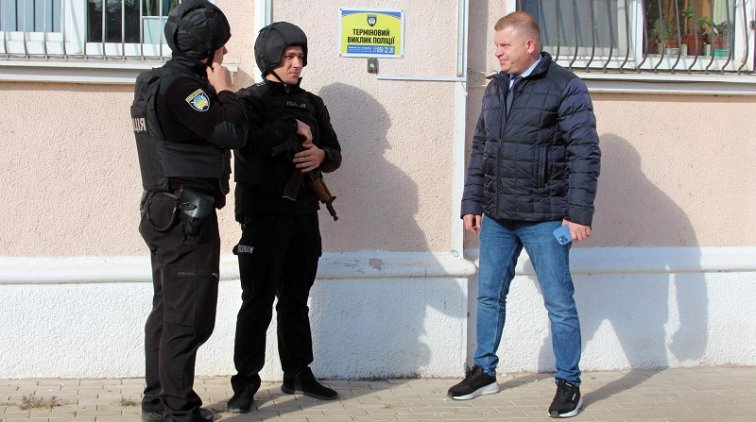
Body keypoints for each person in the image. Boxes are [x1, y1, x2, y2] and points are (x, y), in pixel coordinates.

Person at [448, 11, 601, 419]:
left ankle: (569, 383)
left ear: (529, 45)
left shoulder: (565, 86)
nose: (497, 53)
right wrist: (472, 202)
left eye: (504, 45)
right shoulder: (497, 86)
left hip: (546, 217)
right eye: (496, 46)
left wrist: (578, 213)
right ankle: (484, 371)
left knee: (559, 304)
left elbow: (585, 152)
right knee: (489, 295)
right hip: (498, 216)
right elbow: (481, 147)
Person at [130, 1, 247, 421]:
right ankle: (178, 411)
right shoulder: (184, 88)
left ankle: (157, 402)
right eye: (222, 45)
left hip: (164, 211)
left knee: (166, 312)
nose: (225, 53)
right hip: (186, 218)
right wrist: (225, 90)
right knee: (189, 319)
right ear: (206, 47)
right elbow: (231, 132)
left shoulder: (152, 82)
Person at [226, 21, 342, 413]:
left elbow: (335, 151)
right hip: (263, 216)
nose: (297, 64)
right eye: (289, 56)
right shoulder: (249, 101)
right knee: (256, 301)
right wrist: (289, 127)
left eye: (300, 56)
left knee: (295, 300)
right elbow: (247, 145)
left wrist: (321, 155)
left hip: (303, 215)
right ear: (270, 58)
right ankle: (245, 383)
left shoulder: (313, 103)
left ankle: (298, 372)